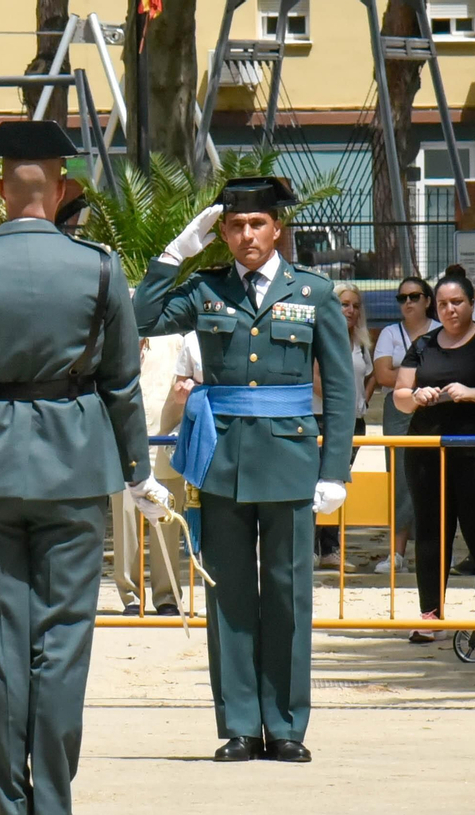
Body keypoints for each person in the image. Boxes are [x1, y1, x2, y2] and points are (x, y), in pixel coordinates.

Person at [0, 119, 163, 815]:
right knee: (63, 635)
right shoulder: (96, 267)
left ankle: (9, 810)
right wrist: (137, 470)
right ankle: (52, 803)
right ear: (59, 191)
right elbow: (121, 381)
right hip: (73, 461)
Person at [136, 176, 355, 764]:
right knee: (229, 596)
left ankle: (284, 725)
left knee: (287, 594)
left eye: (256, 224)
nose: (246, 235)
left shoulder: (313, 292)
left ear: (276, 228)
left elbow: (339, 385)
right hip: (223, 459)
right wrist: (176, 253)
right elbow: (139, 316)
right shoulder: (205, 289)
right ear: (223, 234)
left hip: (288, 458)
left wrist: (336, 468)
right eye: (234, 226)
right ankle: (238, 723)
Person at [391, 270, 475, 641]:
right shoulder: (424, 343)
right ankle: (431, 614)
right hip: (427, 451)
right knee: (430, 532)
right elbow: (399, 393)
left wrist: (472, 392)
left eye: (457, 303)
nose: (450, 310)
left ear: (471, 304)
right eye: (443, 304)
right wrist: (415, 398)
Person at [109, 334, 184, 617]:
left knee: (166, 526)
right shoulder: (110, 342)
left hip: (164, 450)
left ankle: (167, 597)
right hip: (123, 451)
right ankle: (131, 596)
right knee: (126, 527)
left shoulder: (174, 341)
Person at [371, 277, 439, 575]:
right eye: (402, 298)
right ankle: (396, 554)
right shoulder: (389, 332)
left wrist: (405, 374)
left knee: (437, 478)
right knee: (401, 479)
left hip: (435, 406)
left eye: (414, 296)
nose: (408, 303)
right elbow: (383, 376)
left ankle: (437, 550)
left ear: (427, 299)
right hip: (398, 409)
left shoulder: (440, 330)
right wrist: (422, 373)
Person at [313, 283, 374, 570]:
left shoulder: (361, 341)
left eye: (355, 305)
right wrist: (341, 403)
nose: (350, 310)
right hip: (322, 418)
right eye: (344, 304)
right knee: (315, 484)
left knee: (337, 482)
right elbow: (314, 379)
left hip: (353, 423)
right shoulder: (319, 338)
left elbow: (370, 375)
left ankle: (331, 548)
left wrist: (361, 403)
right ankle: (311, 548)